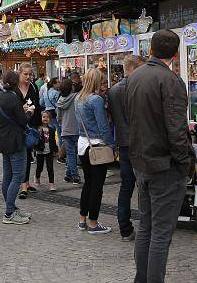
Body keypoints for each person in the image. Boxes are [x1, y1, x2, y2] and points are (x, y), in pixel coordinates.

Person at [127, 30, 197, 283]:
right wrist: (187, 165)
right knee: (160, 233)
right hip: (164, 166)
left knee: (147, 227)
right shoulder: (170, 81)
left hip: (142, 162)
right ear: (176, 53)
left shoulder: (135, 77)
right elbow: (177, 131)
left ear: (151, 49)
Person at [108, 54, 146, 242]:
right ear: (133, 68)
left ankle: (125, 227)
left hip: (123, 143)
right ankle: (147, 226)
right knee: (144, 185)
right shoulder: (139, 87)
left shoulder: (114, 90)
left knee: (126, 186)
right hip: (140, 143)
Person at [75, 68, 116, 235]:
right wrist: (112, 146)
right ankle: (93, 223)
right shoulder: (96, 100)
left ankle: (82, 219)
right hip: (97, 145)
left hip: (82, 143)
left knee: (88, 183)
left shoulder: (78, 98)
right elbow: (103, 126)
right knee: (97, 187)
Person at [0, 70, 33, 225]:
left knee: (7, 177)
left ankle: (12, 207)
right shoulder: (14, 98)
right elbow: (22, 121)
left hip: (3, 141)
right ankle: (9, 213)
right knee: (17, 176)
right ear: (16, 82)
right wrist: (29, 112)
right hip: (16, 142)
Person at [15, 63, 42, 198]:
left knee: (28, 154)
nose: (28, 77)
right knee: (21, 155)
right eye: (25, 74)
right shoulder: (14, 88)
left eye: (30, 74)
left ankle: (25, 183)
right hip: (17, 126)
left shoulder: (33, 87)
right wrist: (21, 109)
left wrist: (38, 125)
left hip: (30, 126)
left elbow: (36, 106)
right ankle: (22, 183)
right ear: (19, 74)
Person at [56, 79, 81, 184]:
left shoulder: (60, 100)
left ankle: (68, 174)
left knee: (70, 153)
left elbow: (59, 118)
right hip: (76, 129)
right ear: (71, 88)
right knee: (74, 153)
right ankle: (75, 176)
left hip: (65, 130)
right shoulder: (76, 97)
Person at [34, 110, 57, 191]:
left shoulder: (51, 129)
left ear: (50, 119)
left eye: (47, 117)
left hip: (49, 151)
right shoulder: (38, 128)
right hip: (40, 151)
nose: (45, 118)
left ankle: (52, 183)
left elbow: (53, 140)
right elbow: (35, 140)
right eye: (43, 117)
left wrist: (55, 149)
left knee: (50, 167)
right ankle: (37, 177)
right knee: (39, 167)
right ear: (40, 118)